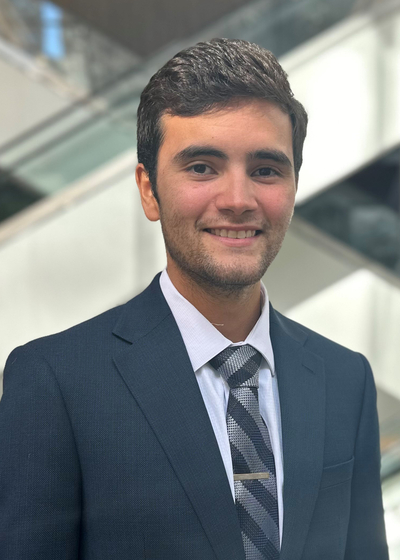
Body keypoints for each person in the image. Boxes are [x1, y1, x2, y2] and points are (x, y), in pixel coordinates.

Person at [0, 38, 389, 560]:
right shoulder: (55, 382)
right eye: (202, 167)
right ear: (149, 190)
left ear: (294, 187)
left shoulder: (346, 380)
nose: (238, 200)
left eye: (266, 170)